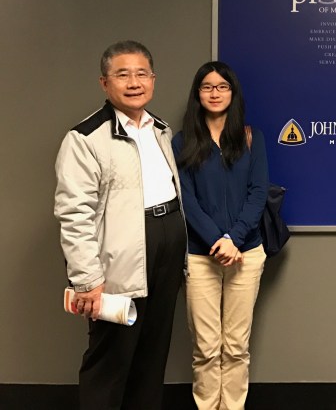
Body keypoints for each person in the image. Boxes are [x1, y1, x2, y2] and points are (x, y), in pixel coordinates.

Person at [54, 40, 187, 410]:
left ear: (153, 80)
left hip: (167, 249)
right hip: (120, 258)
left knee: (152, 354)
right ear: (104, 83)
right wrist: (87, 279)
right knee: (111, 360)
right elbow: (74, 213)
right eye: (122, 74)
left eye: (142, 74)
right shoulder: (85, 138)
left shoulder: (159, 129)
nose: (134, 83)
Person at [172, 61, 268, 410]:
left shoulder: (251, 138)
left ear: (232, 92)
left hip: (246, 253)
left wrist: (234, 239)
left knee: (236, 346)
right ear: (197, 94)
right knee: (206, 347)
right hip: (201, 255)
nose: (215, 93)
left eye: (222, 86)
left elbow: (258, 193)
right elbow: (186, 199)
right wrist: (217, 240)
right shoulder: (182, 142)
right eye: (207, 86)